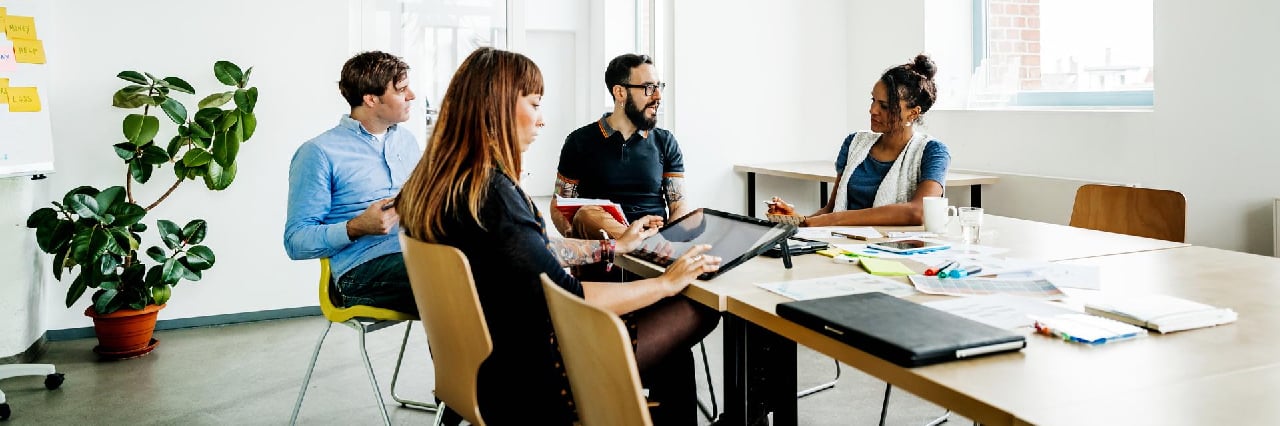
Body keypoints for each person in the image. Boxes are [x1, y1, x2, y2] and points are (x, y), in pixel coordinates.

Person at [397, 47, 721, 425]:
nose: (541, 120)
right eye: (534, 104)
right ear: (497, 106)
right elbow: (572, 296)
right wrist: (667, 284)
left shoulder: (446, 187)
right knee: (700, 306)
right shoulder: (493, 195)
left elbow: (531, 251)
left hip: (486, 363)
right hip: (536, 375)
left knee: (671, 347)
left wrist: (612, 247)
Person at [283, 51, 421, 314]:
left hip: (418, 253)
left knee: (497, 263)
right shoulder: (318, 153)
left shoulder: (407, 142)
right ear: (371, 99)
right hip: (361, 272)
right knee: (461, 279)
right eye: (402, 89)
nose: (411, 96)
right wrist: (357, 227)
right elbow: (296, 241)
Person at [778, 54, 950, 227]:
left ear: (912, 113)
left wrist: (836, 219)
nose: (872, 110)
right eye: (873, 100)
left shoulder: (933, 152)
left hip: (893, 251)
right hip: (843, 247)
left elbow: (918, 212)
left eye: (884, 106)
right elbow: (831, 210)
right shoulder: (854, 143)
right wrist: (799, 221)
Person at [549, 53, 691, 240]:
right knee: (587, 214)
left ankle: (640, 248)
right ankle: (636, 245)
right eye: (649, 88)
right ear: (620, 93)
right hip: (604, 246)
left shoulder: (665, 142)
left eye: (659, 86)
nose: (658, 96)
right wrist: (576, 238)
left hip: (655, 240)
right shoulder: (579, 141)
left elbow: (678, 205)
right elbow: (560, 204)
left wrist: (671, 241)